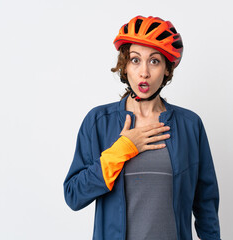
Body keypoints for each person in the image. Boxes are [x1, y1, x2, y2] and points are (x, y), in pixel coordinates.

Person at [63, 15, 221, 240]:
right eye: (135, 60)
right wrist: (121, 149)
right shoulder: (98, 122)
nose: (144, 72)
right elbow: (74, 195)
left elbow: (205, 203)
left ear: (167, 69)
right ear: (124, 66)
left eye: (154, 61)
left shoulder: (189, 125)